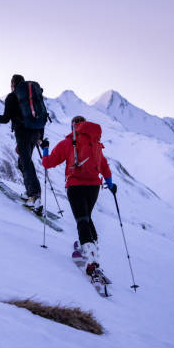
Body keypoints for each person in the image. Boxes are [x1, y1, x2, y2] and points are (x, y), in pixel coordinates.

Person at [41, 116, 117, 276]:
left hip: (75, 186)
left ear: (73, 127)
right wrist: (110, 185)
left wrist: (45, 149)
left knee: (82, 220)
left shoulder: (67, 143)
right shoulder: (95, 144)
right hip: (94, 187)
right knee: (87, 218)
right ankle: (92, 250)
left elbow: (48, 163)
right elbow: (104, 166)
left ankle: (91, 262)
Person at [0, 74, 43, 209]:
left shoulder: (12, 97)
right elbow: (41, 115)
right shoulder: (33, 96)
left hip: (22, 133)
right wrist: (40, 136)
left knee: (26, 162)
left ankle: (35, 196)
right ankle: (30, 193)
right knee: (23, 162)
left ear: (12, 84)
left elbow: (5, 119)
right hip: (35, 132)